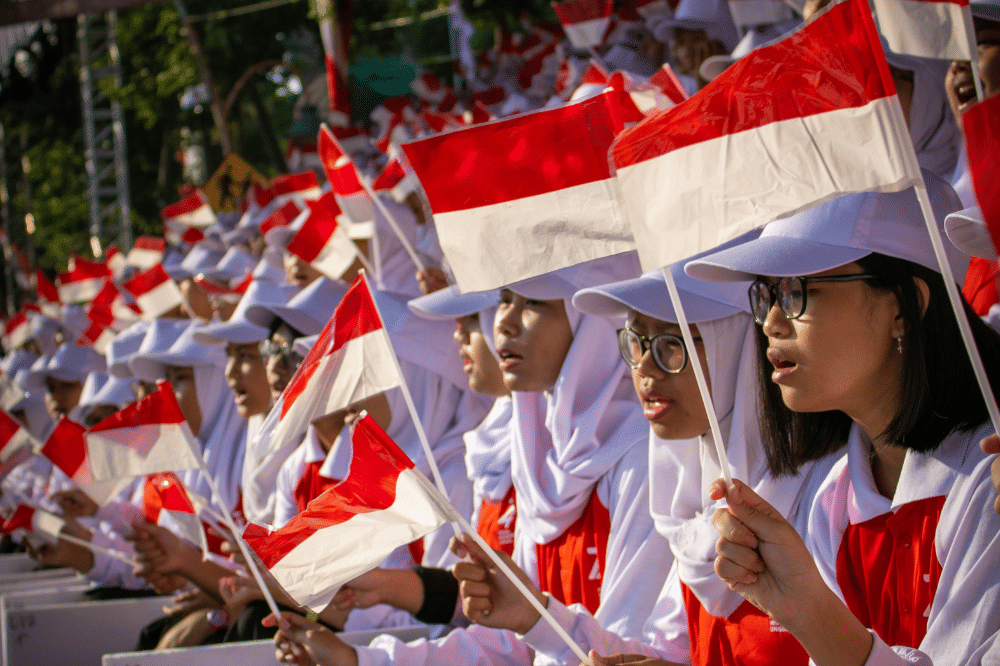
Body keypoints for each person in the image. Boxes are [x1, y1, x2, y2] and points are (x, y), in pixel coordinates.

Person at [686, 176, 1000, 665]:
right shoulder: (835, 500)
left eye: (797, 291)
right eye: (766, 294)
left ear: (904, 307)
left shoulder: (989, 475)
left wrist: (811, 612)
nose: (770, 321)